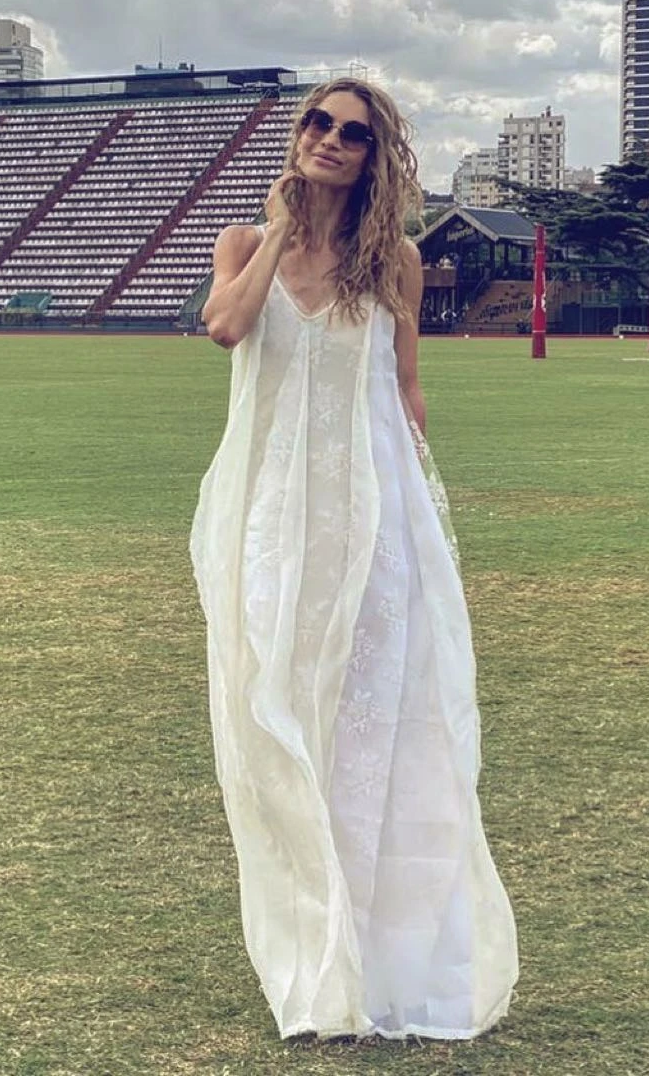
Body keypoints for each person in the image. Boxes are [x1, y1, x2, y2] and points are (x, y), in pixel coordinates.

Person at [190, 78, 518, 1040]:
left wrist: (422, 526)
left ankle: (378, 962)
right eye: (318, 123)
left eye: (352, 134)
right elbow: (226, 326)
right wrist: (280, 232)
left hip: (372, 525)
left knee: (375, 732)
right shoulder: (244, 244)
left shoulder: (395, 264)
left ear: (375, 158)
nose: (330, 139)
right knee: (276, 718)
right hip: (270, 520)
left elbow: (407, 393)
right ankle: (312, 956)